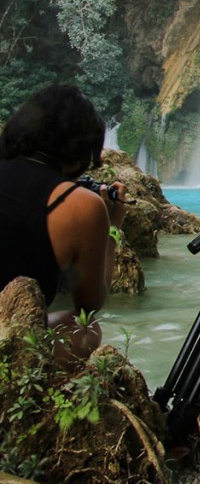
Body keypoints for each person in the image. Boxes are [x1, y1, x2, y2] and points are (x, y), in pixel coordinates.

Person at [0, 84, 127, 364]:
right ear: (81, 149)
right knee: (85, 329)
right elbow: (89, 305)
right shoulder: (77, 204)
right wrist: (111, 230)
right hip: (7, 349)